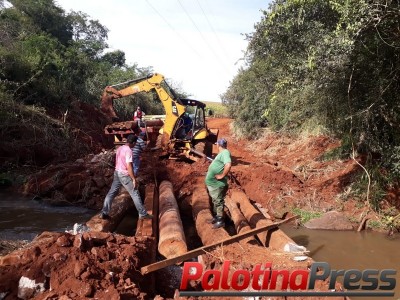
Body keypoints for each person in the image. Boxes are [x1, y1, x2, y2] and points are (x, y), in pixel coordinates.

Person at [100, 134, 152, 220]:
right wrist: (133, 179)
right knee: (135, 193)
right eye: (135, 144)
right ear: (134, 142)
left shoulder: (120, 148)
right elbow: (129, 166)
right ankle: (143, 214)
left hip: (117, 172)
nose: (135, 145)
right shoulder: (128, 151)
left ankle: (104, 212)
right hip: (124, 174)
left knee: (112, 192)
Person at [205, 138, 232, 229]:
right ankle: (217, 217)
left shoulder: (225, 152)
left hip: (217, 184)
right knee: (215, 201)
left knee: (218, 201)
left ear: (218, 145)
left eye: (217, 144)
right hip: (214, 184)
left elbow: (228, 164)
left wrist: (222, 175)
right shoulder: (222, 153)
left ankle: (220, 221)